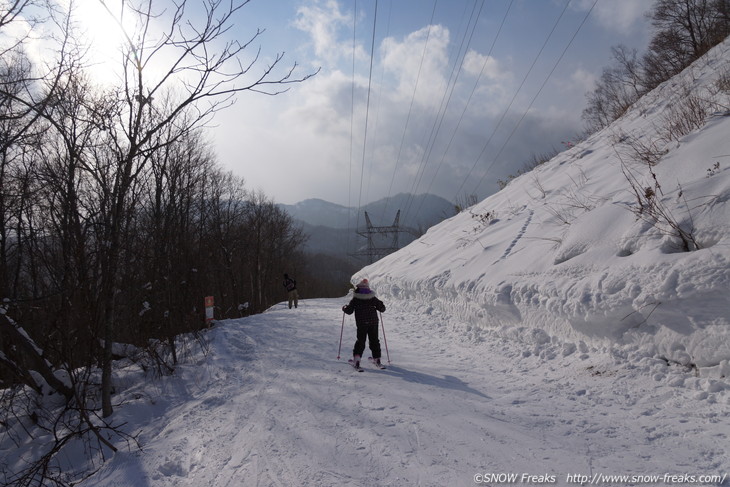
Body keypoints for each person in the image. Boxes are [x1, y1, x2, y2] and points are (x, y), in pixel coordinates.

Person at [342, 279, 386, 368]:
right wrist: (381, 304)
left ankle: (357, 360)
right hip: (373, 322)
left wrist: (344, 308)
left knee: (361, 341)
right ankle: (377, 359)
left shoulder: (356, 299)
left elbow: (349, 311)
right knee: (374, 340)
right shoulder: (372, 298)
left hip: (362, 323)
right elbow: (382, 309)